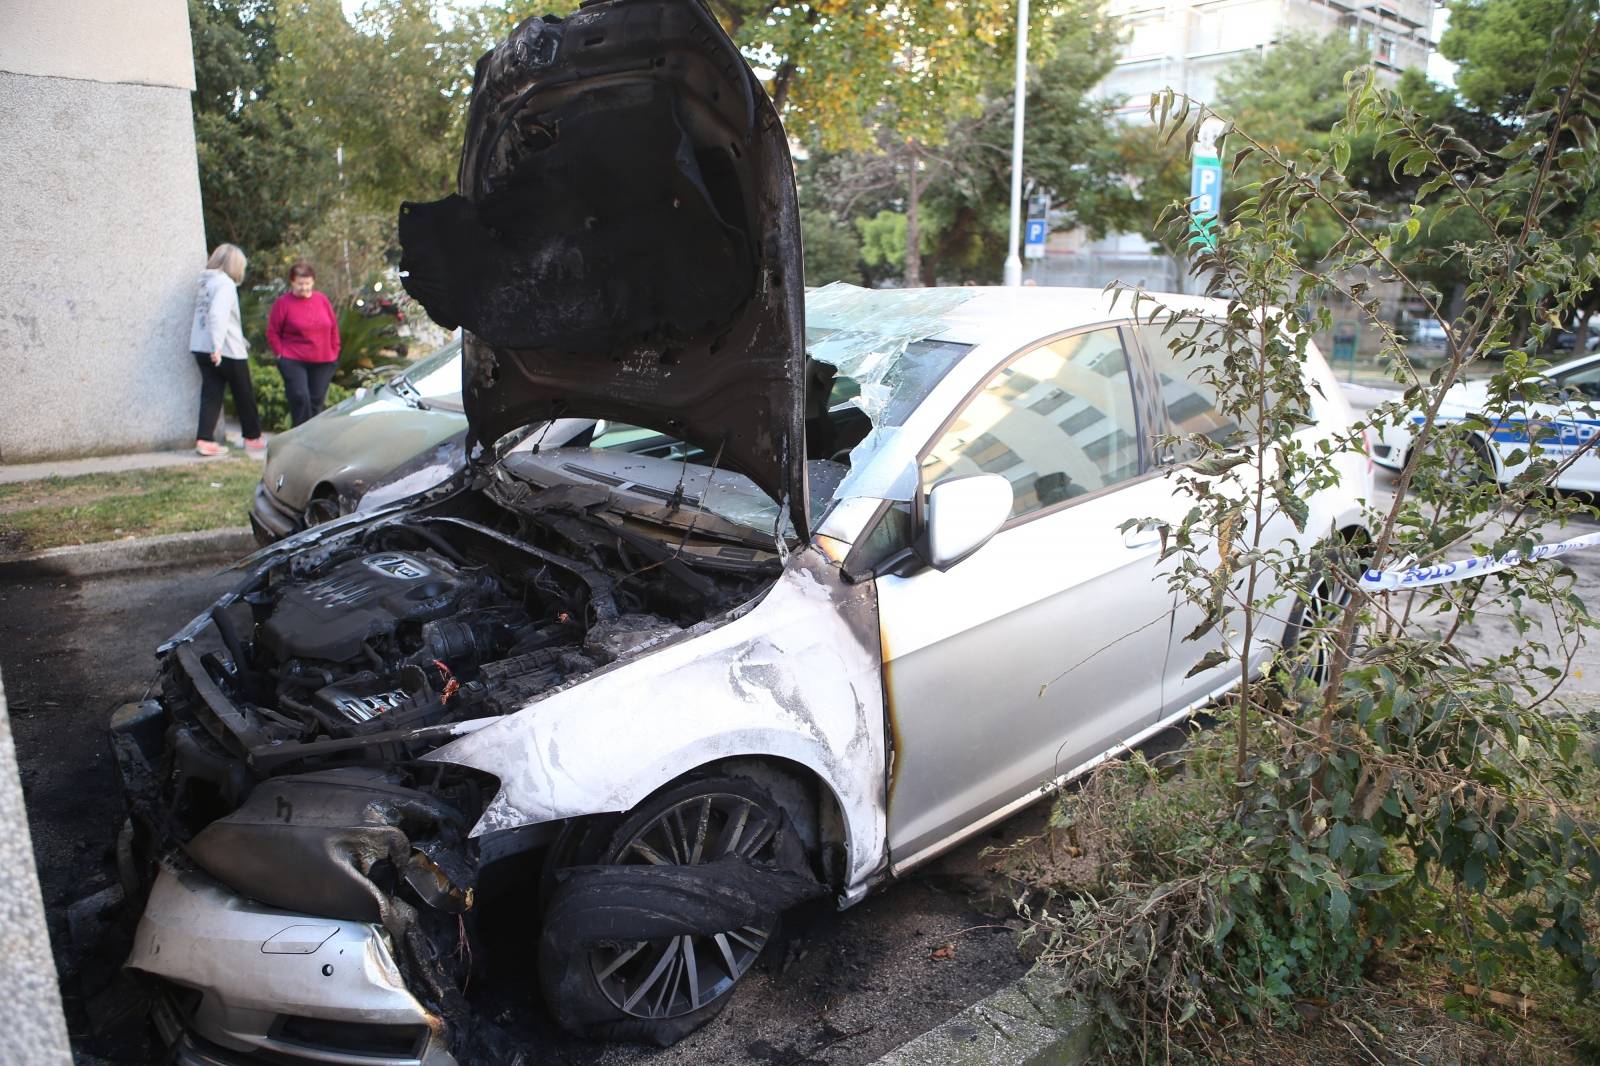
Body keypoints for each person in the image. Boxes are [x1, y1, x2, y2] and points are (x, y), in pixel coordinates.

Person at [190, 243, 263, 456]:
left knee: (211, 393)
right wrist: (217, 346)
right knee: (243, 392)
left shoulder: (206, 283)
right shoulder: (225, 284)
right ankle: (253, 436)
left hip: (200, 347)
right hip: (226, 350)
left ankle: (205, 440)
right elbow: (217, 315)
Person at [267, 261, 342, 426]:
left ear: (313, 281)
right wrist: (280, 354)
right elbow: (273, 332)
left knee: (316, 401)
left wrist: (335, 350)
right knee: (300, 397)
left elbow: (333, 327)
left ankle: (313, 437)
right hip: (293, 359)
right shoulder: (283, 303)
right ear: (292, 282)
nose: (305, 287)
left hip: (324, 360)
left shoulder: (321, 300)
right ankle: (300, 436)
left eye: (308, 283)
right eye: (300, 284)